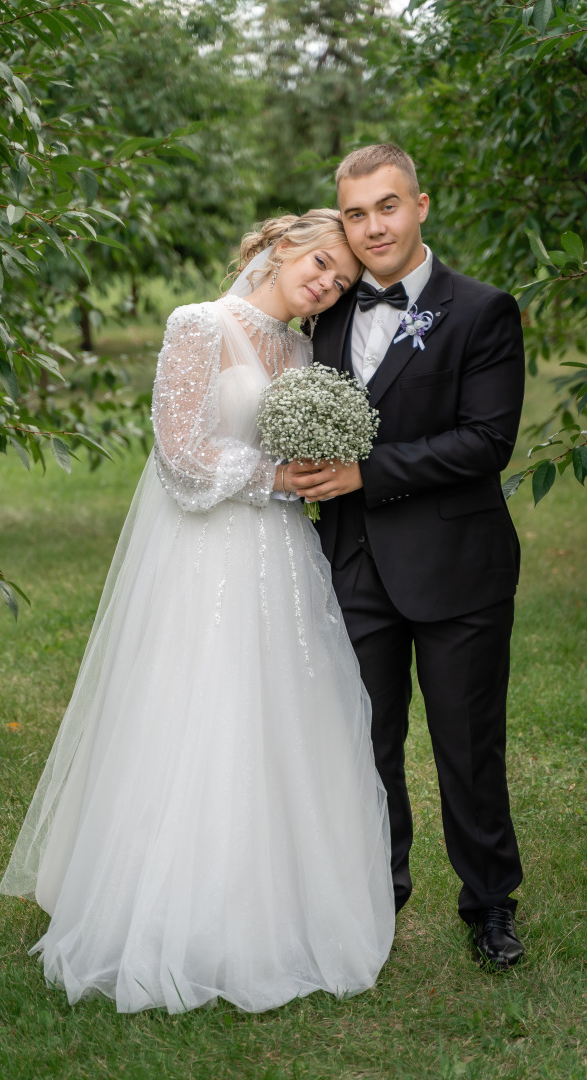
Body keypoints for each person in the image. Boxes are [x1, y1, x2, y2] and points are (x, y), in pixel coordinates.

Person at [0, 209, 395, 1013]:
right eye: (320, 263)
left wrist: (314, 466)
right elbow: (180, 454)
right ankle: (163, 911)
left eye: (341, 282)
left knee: (282, 714)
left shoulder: (304, 350)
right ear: (283, 247)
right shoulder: (197, 325)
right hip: (203, 553)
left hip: (280, 556)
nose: (325, 284)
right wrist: (280, 478)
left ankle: (274, 907)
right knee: (197, 711)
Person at [287, 145, 525, 970]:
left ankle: (490, 902)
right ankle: (375, 895)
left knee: (468, 746)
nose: (372, 227)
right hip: (352, 563)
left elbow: (487, 441)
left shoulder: (484, 310)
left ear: (420, 205)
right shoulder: (327, 314)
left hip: (460, 567)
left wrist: (366, 471)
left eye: (386, 207)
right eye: (355, 213)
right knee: (363, 743)